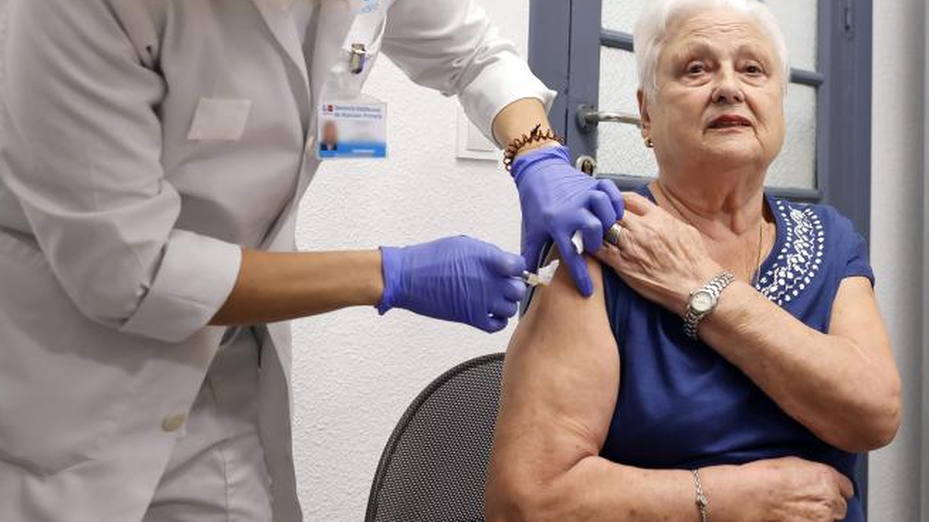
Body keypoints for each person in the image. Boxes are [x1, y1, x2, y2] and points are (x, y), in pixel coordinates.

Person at [0, 0, 623, 521]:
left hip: (228, 372)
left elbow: (475, 52)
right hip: (66, 386)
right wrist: (391, 274)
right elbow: (130, 272)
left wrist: (538, 152)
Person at [485, 1, 901, 521]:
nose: (729, 87)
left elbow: (874, 416)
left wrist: (705, 287)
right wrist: (726, 498)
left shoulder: (831, 241)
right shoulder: (602, 244)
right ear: (646, 114)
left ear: (778, 102)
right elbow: (525, 502)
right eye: (696, 69)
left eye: (752, 69)